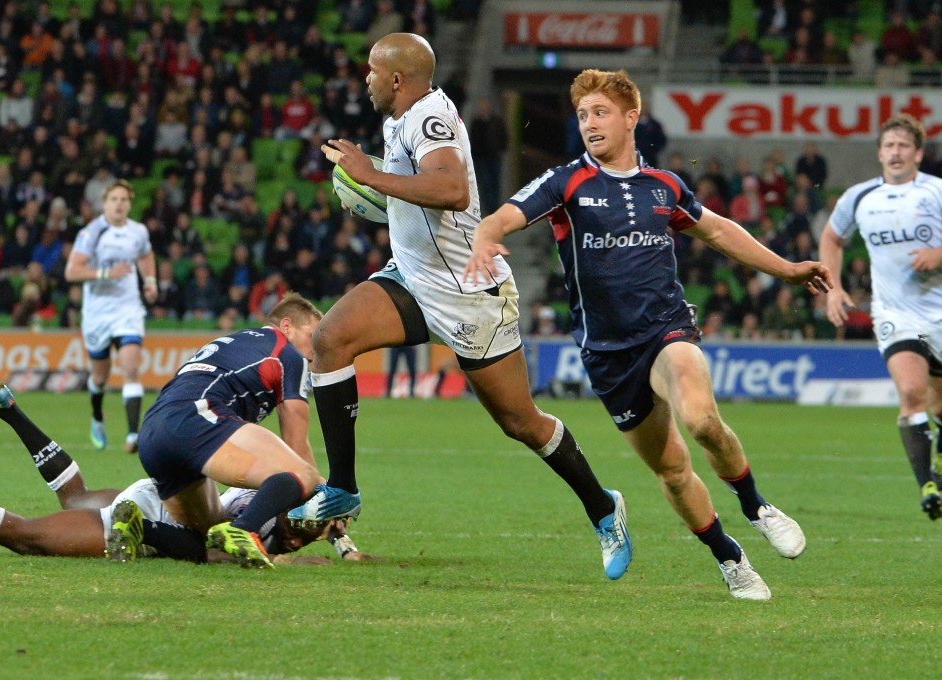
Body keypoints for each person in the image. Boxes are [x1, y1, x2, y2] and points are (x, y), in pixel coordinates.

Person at [464, 69, 832, 600]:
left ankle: (756, 506)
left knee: (703, 421)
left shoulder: (665, 187)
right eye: (583, 115)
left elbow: (720, 231)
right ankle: (730, 557)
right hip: (608, 355)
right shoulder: (565, 182)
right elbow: (501, 218)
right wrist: (483, 238)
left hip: (666, 330)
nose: (589, 123)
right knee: (674, 471)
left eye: (601, 113)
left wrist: (787, 269)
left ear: (630, 117)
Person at [288, 33, 632, 582]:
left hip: (468, 294)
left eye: (373, 72)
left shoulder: (430, 119)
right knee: (330, 340)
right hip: (413, 278)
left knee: (520, 422)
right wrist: (384, 197)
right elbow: (417, 196)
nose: (367, 79)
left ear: (398, 79)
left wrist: (369, 174)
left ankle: (602, 506)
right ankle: (343, 490)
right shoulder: (399, 117)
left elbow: (449, 189)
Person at [0, 377, 373, 565]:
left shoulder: (289, 505)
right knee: (29, 538)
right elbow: (211, 546)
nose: (298, 540)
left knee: (76, 499)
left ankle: (11, 410)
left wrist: (344, 547)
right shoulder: (255, 518)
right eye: (297, 533)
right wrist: (280, 556)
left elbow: (325, 518)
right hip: (156, 514)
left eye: (305, 536)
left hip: (162, 490)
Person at [136, 293, 326, 568]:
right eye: (313, 335)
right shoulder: (286, 353)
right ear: (287, 327)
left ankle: (140, 529)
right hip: (197, 417)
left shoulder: (238, 341)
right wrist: (329, 501)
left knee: (212, 535)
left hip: (152, 434)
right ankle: (244, 528)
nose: (315, 348)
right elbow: (297, 447)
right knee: (303, 475)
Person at [818, 114, 942, 520]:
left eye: (904, 146)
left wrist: (938, 255)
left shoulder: (936, 191)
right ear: (879, 153)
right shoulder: (860, 196)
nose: (895, 152)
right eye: (889, 146)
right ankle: (929, 485)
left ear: (918, 153)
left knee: (939, 408)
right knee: (911, 393)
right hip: (894, 314)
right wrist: (834, 287)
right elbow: (832, 238)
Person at [64, 180, 158, 454]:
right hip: (97, 314)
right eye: (114, 199)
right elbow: (72, 272)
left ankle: (133, 435)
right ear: (104, 204)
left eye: (124, 200)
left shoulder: (138, 231)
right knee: (100, 377)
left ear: (129, 204)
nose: (119, 204)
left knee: (130, 367)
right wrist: (106, 274)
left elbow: (145, 254)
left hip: (128, 309)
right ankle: (97, 416)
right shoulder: (92, 233)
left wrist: (149, 281)